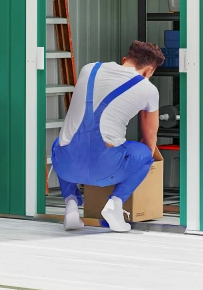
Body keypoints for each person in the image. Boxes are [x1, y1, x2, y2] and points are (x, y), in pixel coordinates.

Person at [51, 41, 165, 232]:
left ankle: (71, 205)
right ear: (149, 71)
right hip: (105, 170)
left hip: (66, 166)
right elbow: (150, 136)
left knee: (60, 142)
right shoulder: (148, 89)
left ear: (124, 59)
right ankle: (115, 205)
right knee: (145, 154)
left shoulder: (89, 69)